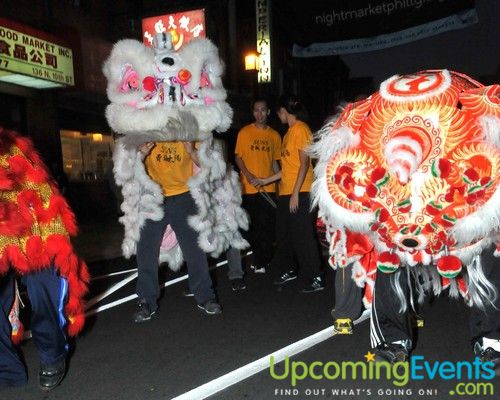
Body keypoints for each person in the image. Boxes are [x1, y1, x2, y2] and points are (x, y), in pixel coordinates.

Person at [0, 127, 89, 390]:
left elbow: (41, 199)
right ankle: (7, 369)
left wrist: (54, 244)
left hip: (33, 231)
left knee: (44, 290)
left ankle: (53, 355)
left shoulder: (12, 149)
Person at [133, 140, 222, 323]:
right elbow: (129, 169)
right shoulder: (147, 127)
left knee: (195, 251)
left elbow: (208, 167)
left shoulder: (187, 127)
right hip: (154, 196)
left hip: (184, 197)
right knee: (146, 252)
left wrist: (191, 150)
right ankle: (146, 302)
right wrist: (141, 154)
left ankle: (205, 296)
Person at [256, 95, 324, 293]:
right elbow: (287, 169)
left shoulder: (301, 129)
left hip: (301, 191)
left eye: (278, 113)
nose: (278, 117)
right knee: (284, 234)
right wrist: (265, 181)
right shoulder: (288, 134)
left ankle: (317, 276)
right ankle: (290, 268)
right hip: (287, 191)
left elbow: (304, 164)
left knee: (304, 236)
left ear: (284, 111)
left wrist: (295, 193)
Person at [234, 98, 281, 274]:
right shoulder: (244, 133)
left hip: (267, 189)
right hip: (249, 188)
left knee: (266, 227)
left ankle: (262, 260)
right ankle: (261, 256)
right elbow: (239, 158)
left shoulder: (275, 135)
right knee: (250, 227)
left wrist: (277, 186)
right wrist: (249, 175)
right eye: (256, 110)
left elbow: (275, 163)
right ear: (253, 112)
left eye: (263, 110)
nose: (259, 113)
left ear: (268, 112)